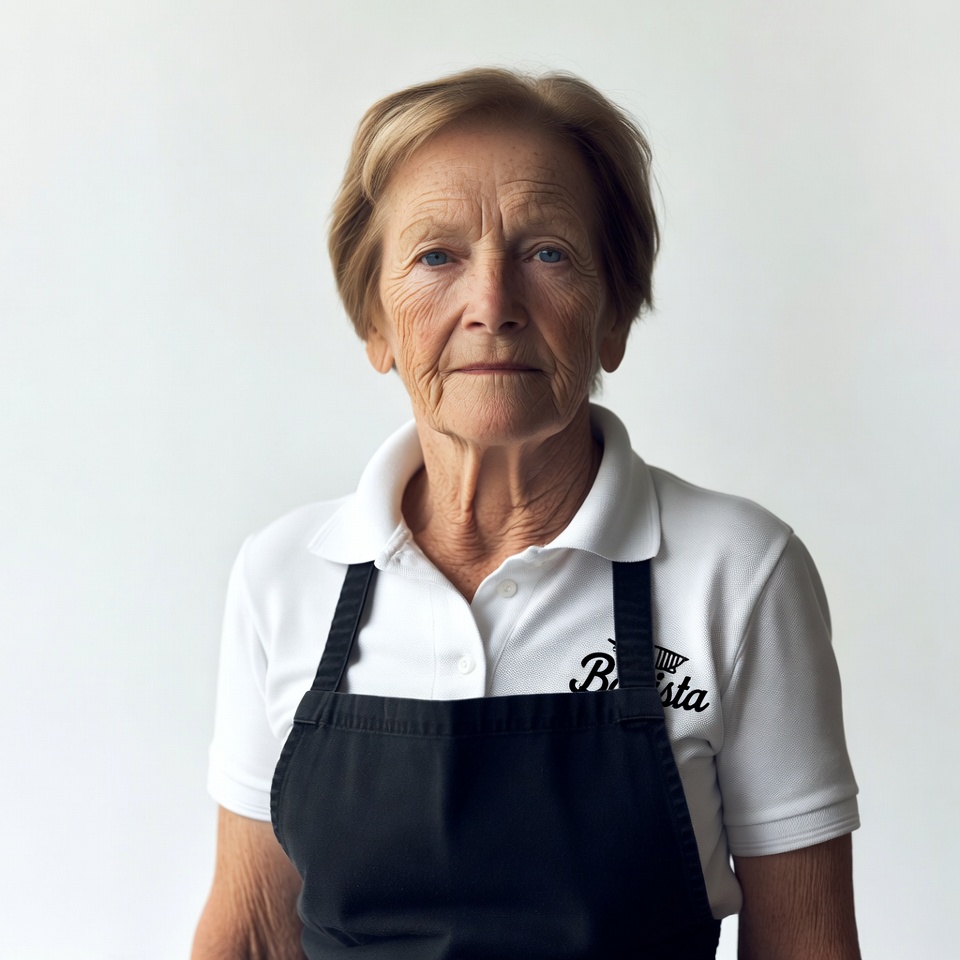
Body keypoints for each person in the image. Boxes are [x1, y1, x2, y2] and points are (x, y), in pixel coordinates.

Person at [192, 68, 861, 960]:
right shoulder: (286, 576)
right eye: (437, 257)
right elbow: (249, 936)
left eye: (547, 253)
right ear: (376, 326)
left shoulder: (738, 572)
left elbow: (807, 948)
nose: (493, 307)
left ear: (614, 315)